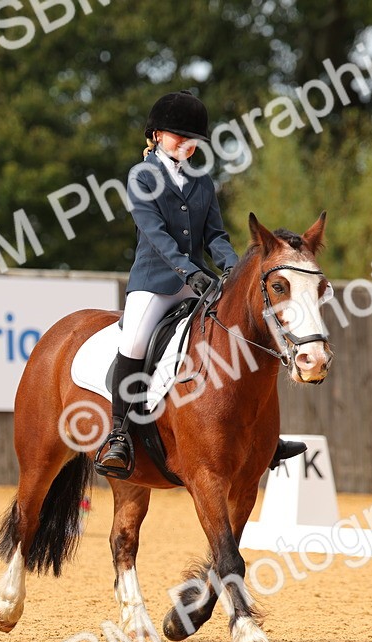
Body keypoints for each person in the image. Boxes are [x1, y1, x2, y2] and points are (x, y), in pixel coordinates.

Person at [94, 90, 306, 477]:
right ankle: (120, 435)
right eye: (179, 136)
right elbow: (155, 234)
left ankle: (265, 437)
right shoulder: (142, 176)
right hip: (155, 283)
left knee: (246, 335)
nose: (187, 144)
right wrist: (187, 271)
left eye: (193, 139)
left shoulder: (202, 182)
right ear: (156, 135)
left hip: (198, 283)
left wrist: (231, 268)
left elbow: (216, 237)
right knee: (135, 341)